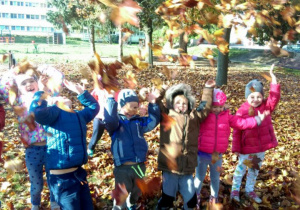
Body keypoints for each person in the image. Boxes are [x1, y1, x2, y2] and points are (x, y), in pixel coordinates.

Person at [29, 80, 99, 209]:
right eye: (59, 97)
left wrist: (81, 92)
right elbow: (36, 111)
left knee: (87, 206)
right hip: (61, 178)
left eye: (65, 96)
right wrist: (43, 94)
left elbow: (94, 108)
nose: (64, 96)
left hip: (79, 174)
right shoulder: (52, 116)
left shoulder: (78, 116)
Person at [194, 89, 269, 207]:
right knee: (199, 177)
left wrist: (257, 119)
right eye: (214, 107)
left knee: (215, 177)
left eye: (220, 106)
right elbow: (194, 118)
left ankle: (214, 197)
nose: (218, 109)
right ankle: (195, 196)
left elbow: (242, 123)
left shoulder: (227, 116)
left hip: (217, 155)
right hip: (202, 153)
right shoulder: (204, 116)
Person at [0, 71, 60, 210]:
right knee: (36, 183)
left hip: (53, 147)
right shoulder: (18, 101)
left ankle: (55, 203)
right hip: (33, 150)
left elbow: (59, 77)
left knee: (54, 179)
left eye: (31, 80)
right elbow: (2, 86)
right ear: (17, 87)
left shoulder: (46, 95)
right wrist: (15, 71)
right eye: (23, 83)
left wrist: (42, 71)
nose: (28, 84)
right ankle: (35, 204)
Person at [156, 81, 215, 210]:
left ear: (189, 104)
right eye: (178, 103)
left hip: (187, 167)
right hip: (170, 166)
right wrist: (162, 90)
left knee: (191, 200)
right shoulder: (167, 115)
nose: (181, 106)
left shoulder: (194, 116)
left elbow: (204, 107)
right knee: (167, 198)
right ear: (172, 103)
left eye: (184, 103)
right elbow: (157, 102)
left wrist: (208, 89)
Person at [230, 65, 280, 203]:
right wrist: (236, 148)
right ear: (247, 97)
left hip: (260, 149)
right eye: (252, 96)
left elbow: (273, 99)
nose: (256, 99)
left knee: (254, 170)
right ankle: (235, 190)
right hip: (246, 150)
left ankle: (249, 190)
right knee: (240, 170)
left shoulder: (266, 107)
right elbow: (237, 132)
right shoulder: (242, 111)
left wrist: (274, 80)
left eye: (259, 96)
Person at [104, 88, 160, 209]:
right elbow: (109, 119)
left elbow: (153, 121)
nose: (136, 109)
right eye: (133, 106)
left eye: (137, 106)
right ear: (122, 105)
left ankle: (132, 202)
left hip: (139, 164)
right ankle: (119, 207)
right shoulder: (117, 123)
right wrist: (110, 99)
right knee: (122, 192)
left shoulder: (138, 122)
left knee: (137, 189)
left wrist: (153, 103)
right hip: (123, 167)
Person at [87, 79, 108, 156]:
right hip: (99, 116)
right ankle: (90, 148)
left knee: (116, 135)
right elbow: (91, 99)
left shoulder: (111, 90)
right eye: (99, 83)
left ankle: (118, 148)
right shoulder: (97, 91)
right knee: (96, 135)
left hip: (110, 117)